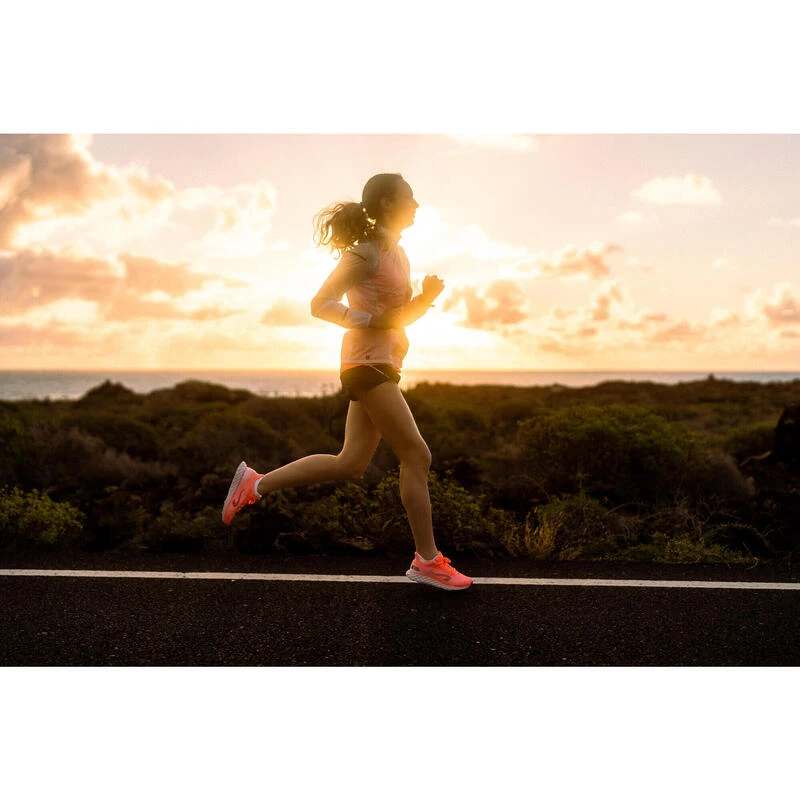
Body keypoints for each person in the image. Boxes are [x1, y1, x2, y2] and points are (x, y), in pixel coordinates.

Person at [222, 173, 472, 591]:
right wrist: (370, 321)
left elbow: (396, 317)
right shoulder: (365, 252)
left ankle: (256, 484)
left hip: (383, 363)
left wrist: (425, 299)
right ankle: (427, 561)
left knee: (350, 463)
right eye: (409, 197)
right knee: (417, 455)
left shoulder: (397, 253)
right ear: (387, 202)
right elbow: (321, 303)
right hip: (366, 363)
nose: (416, 204)